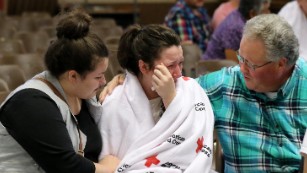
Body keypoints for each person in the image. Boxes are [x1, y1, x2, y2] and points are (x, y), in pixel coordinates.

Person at [101, 14, 307, 172]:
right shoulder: (227, 84)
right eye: (240, 58)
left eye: (251, 64)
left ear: (282, 64)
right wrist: (129, 79)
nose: (241, 68)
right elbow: (177, 89)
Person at [0, 9, 119, 173]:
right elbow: (65, 166)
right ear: (73, 76)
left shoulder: (81, 94)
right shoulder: (30, 103)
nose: (104, 82)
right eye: (98, 76)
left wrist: (122, 79)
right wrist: (106, 169)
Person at [89, 24, 215, 172]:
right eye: (170, 66)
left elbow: (193, 146)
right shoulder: (115, 102)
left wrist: (171, 99)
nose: (179, 73)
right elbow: (110, 163)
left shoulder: (191, 89)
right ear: (143, 67)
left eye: (181, 63)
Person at [202, 0, 270, 62]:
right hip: (212, 69)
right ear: (252, 13)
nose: (268, 13)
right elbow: (234, 63)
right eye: (265, 11)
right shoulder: (235, 28)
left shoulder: (240, 14)